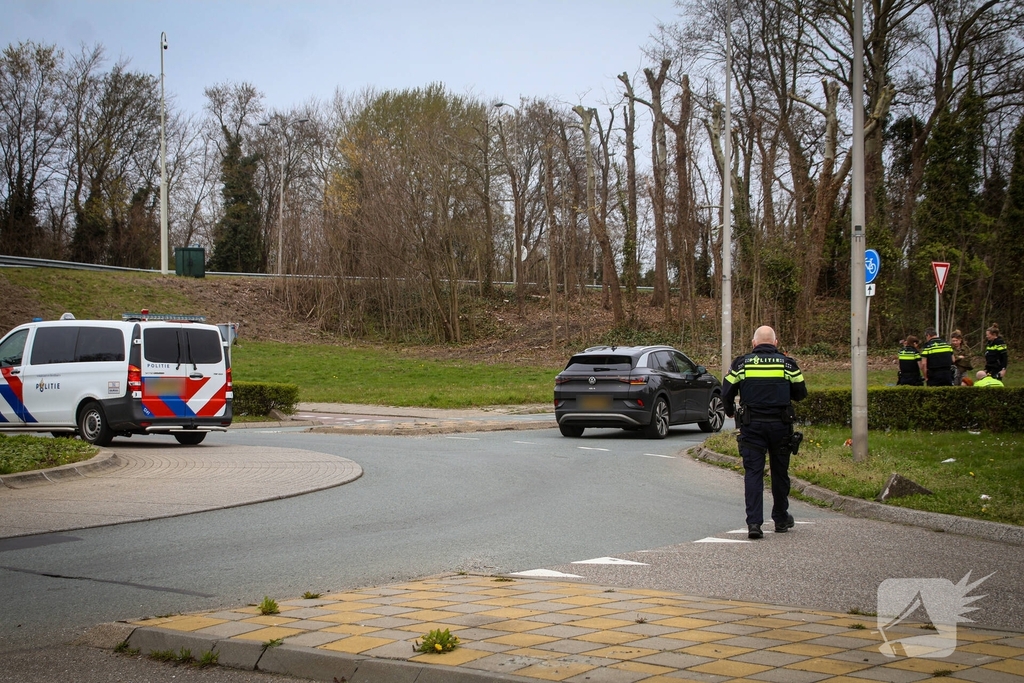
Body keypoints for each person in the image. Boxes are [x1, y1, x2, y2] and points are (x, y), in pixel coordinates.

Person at [723, 326, 807, 539]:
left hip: (752, 427)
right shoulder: (787, 364)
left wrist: (730, 411)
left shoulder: (742, 364)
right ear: (776, 343)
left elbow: (727, 389)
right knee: (780, 473)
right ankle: (780, 519)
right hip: (780, 427)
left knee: (753, 474)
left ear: (754, 343)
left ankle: (754, 524)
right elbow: (801, 393)